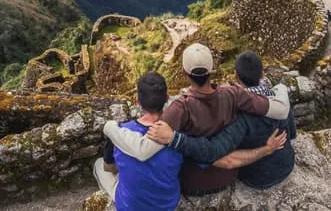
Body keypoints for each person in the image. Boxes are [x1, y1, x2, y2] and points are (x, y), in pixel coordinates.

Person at [103, 43, 290, 196]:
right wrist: (281, 89)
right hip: (229, 175)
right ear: (212, 70)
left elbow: (143, 150)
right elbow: (280, 111)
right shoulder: (233, 94)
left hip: (193, 183)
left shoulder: (180, 108)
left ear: (184, 72)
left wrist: (110, 128)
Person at [148, 51, 296, 189]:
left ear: (236, 75)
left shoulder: (240, 116)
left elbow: (214, 152)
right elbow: (292, 134)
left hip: (258, 177)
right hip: (287, 163)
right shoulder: (279, 98)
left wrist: (175, 139)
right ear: (261, 72)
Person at [93, 72, 183, 210]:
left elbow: (109, 167)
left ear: (137, 101)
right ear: (166, 98)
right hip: (167, 203)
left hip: (131, 206)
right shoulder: (176, 131)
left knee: (99, 165)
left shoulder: (121, 131)